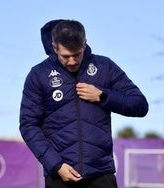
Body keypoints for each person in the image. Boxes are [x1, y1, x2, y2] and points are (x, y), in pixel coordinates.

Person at [19, 19, 149, 188]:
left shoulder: (104, 66)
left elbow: (140, 105)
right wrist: (56, 165)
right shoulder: (38, 75)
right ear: (54, 47)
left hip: (101, 174)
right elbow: (28, 125)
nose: (72, 61)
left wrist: (103, 96)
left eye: (77, 54)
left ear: (85, 44)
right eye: (66, 56)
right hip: (60, 176)